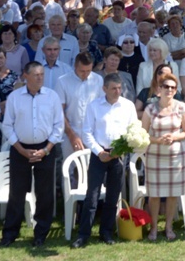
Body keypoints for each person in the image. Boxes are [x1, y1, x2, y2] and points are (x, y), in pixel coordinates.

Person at [1, 62, 64, 248]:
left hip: (46, 148)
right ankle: (10, 233)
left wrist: (46, 150)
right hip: (20, 149)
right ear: (25, 76)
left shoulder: (52, 97)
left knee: (45, 193)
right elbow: (7, 126)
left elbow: (58, 126)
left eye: (42, 74)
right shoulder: (14, 97)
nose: (40, 78)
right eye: (36, 74)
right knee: (17, 192)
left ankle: (41, 233)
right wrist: (21, 150)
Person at [72, 73, 138, 248]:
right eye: (114, 88)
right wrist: (99, 152)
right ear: (104, 89)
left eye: (119, 88)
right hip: (98, 155)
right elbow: (86, 132)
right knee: (92, 196)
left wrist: (120, 150)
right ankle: (83, 234)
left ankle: (106, 232)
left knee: (112, 197)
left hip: (118, 155)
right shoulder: (94, 106)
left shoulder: (128, 106)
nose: (118, 91)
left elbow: (133, 130)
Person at [142, 73, 185, 241]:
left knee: (172, 194)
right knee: (154, 194)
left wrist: (174, 137)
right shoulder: (150, 109)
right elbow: (143, 135)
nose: (169, 90)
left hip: (176, 157)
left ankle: (169, 227)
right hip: (155, 156)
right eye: (166, 87)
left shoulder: (181, 107)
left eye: (172, 87)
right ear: (159, 89)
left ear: (176, 90)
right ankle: (154, 228)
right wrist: (157, 140)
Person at [55, 52, 104, 160]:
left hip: (93, 134)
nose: (85, 74)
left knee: (91, 171)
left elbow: (101, 107)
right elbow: (59, 112)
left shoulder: (98, 80)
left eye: (89, 71)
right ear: (75, 66)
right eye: (82, 71)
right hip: (69, 132)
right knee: (68, 171)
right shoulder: (63, 81)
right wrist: (72, 135)